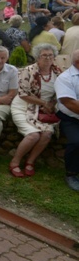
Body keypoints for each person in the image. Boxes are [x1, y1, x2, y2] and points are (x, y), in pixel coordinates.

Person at [9, 44, 63, 178]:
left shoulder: (58, 72)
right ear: (37, 57)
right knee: (33, 135)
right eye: (44, 55)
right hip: (23, 106)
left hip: (43, 110)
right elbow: (23, 94)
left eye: (50, 55)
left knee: (47, 133)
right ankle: (15, 162)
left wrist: (51, 103)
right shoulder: (28, 71)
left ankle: (30, 162)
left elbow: (61, 93)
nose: (48, 58)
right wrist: (44, 103)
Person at [55, 50, 79, 191]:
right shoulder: (65, 78)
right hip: (71, 118)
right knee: (76, 142)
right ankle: (71, 173)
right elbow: (69, 103)